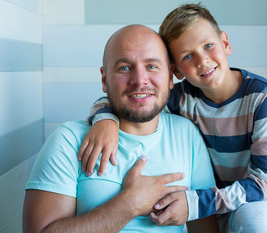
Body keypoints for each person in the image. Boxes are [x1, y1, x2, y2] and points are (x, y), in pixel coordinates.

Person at [80, 3, 267, 233]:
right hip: (201, 198)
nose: (202, 60)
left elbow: (265, 183)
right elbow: (131, 101)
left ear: (225, 43)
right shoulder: (181, 97)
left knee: (255, 221)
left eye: (208, 45)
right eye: (188, 56)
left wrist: (194, 204)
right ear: (175, 71)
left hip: (245, 199)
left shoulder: (263, 97)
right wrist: (105, 120)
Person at [22, 25, 220, 233]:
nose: (139, 80)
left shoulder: (187, 135)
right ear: (105, 80)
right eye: (124, 68)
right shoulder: (68, 141)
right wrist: (128, 205)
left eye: (151, 66)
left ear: (170, 77)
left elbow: (204, 226)